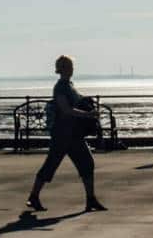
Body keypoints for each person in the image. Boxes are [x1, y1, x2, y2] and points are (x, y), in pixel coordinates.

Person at [27, 55, 106, 212]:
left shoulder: (69, 85)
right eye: (69, 66)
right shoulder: (61, 87)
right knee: (51, 165)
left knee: (87, 163)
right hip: (63, 133)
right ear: (63, 69)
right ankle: (33, 197)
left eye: (71, 66)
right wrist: (88, 115)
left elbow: (74, 103)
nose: (72, 69)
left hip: (73, 133)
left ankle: (91, 199)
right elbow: (66, 110)